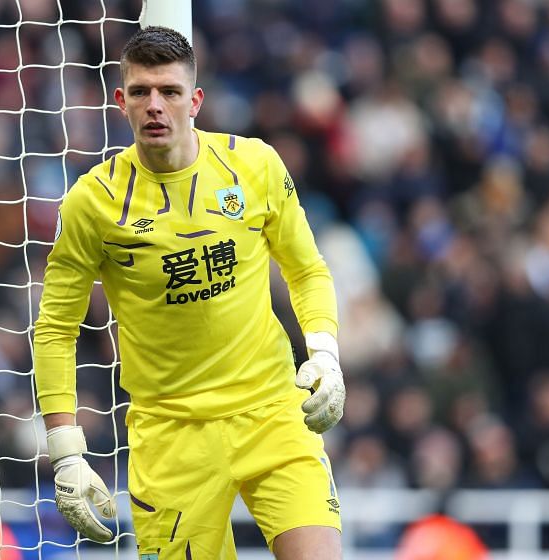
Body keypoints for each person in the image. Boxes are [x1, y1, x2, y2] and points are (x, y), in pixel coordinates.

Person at [34, 26, 346, 559]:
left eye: (170, 92)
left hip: (271, 412)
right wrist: (66, 451)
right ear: (121, 101)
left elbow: (307, 269)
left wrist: (324, 353)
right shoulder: (93, 203)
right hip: (170, 436)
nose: (155, 106)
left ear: (195, 100)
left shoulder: (255, 166)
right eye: (141, 92)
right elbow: (56, 327)